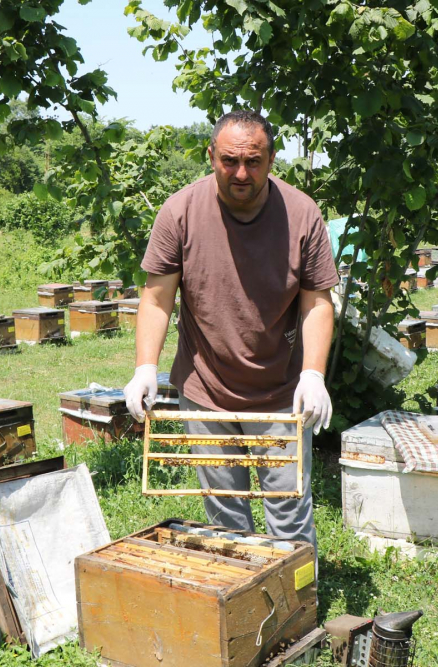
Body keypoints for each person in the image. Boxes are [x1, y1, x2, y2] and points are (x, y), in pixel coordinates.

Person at [123, 110, 338, 553]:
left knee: (288, 508)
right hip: (205, 390)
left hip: (280, 392)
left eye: (253, 162)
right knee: (226, 513)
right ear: (211, 157)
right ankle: (246, 612)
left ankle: (295, 612)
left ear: (272, 160)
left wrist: (312, 375)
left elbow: (317, 301)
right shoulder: (180, 211)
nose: (242, 173)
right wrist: (145, 367)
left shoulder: (301, 215)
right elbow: (158, 297)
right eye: (229, 161)